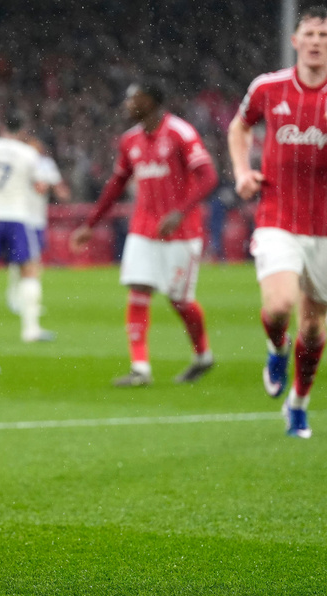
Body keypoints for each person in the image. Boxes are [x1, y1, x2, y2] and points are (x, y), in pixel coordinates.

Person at [70, 79, 218, 386]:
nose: (127, 105)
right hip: (143, 229)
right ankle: (140, 369)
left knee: (179, 299)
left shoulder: (180, 132)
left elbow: (208, 176)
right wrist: (91, 224)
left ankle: (203, 355)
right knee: (138, 289)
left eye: (133, 99)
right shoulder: (129, 140)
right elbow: (116, 184)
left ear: (151, 101)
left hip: (182, 231)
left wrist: (180, 210)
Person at [227, 5, 327, 439]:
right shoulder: (268, 88)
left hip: (323, 228)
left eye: (324, 35)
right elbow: (239, 127)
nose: (316, 41)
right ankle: (274, 347)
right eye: (310, 33)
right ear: (296, 40)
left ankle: (298, 404)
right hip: (277, 218)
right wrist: (242, 173)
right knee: (280, 304)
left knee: (314, 327)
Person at [0, 113, 55, 343]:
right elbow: (40, 186)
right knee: (29, 271)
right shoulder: (28, 153)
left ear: (1, 127)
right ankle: (30, 330)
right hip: (18, 217)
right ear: (22, 131)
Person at [4, 135, 72, 316]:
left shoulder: (46, 164)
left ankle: (27, 300)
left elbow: (59, 188)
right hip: (22, 218)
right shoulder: (20, 162)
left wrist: (60, 191)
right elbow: (41, 187)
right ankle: (14, 297)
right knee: (21, 260)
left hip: (37, 220)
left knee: (34, 261)